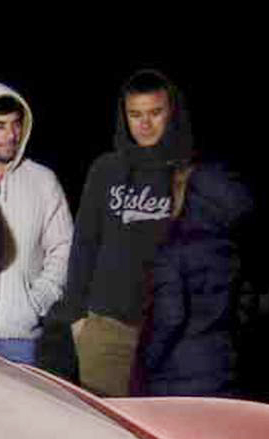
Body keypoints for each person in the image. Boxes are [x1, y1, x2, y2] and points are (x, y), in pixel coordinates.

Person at [59, 69, 197, 397]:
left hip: (171, 337)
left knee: (160, 435)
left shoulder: (188, 174)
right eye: (135, 114)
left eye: (155, 113)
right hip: (107, 330)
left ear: (172, 113)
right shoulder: (106, 169)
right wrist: (78, 318)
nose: (144, 124)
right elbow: (84, 245)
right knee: (107, 433)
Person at [0, 83, 73, 363]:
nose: (11, 135)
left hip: (24, 341)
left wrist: (37, 302)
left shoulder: (43, 181)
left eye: (16, 124)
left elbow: (64, 248)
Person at [136, 163, 253, 395]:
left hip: (175, 376)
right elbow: (243, 309)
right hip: (223, 369)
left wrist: (146, 363)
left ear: (193, 197)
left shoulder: (173, 249)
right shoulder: (230, 251)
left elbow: (170, 317)